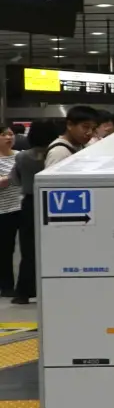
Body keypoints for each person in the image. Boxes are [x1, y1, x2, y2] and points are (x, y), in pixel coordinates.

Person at [10, 118, 62, 304]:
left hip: (30, 203)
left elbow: (15, 180)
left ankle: (24, 291)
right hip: (54, 202)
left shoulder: (22, 157)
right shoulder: (57, 153)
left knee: (28, 248)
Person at [0, 125, 21, 299]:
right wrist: (12, 177)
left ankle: (24, 286)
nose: (8, 137)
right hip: (3, 210)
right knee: (6, 250)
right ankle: (7, 286)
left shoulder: (20, 156)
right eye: (3, 135)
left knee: (27, 249)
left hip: (22, 207)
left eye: (10, 134)